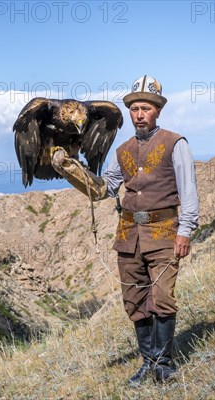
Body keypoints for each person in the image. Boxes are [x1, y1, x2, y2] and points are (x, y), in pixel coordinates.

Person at [51, 75, 199, 386]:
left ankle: (163, 364)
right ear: (130, 112)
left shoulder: (175, 143)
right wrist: (72, 170)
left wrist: (185, 230)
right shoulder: (123, 150)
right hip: (128, 235)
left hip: (163, 232)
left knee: (162, 297)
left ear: (157, 111)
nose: (140, 114)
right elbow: (106, 189)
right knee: (134, 300)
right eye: (135, 109)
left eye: (146, 108)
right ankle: (148, 364)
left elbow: (189, 191)